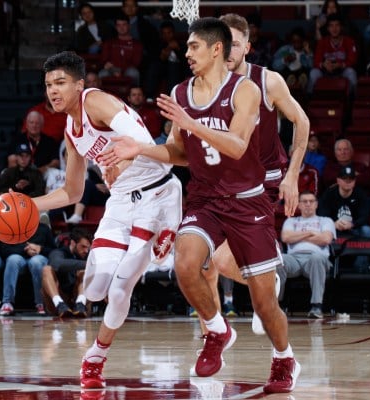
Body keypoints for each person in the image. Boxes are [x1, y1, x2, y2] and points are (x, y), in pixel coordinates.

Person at [102, 18, 299, 393]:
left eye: (193, 46)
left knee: (263, 303)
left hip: (247, 201)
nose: (186, 52)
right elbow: (179, 152)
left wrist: (192, 122)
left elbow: (238, 146)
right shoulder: (180, 92)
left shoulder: (245, 91)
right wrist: (139, 150)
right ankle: (216, 330)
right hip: (206, 199)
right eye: (187, 47)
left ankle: (284, 357)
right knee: (185, 263)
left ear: (216, 49)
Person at [37, 51, 182, 390]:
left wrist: (125, 161)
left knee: (120, 289)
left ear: (79, 84)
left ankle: (96, 356)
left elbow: (141, 138)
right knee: (97, 288)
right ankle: (162, 246)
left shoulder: (96, 101)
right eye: (48, 85)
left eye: (60, 83)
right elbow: (73, 192)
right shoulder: (72, 133)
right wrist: (29, 204)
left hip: (155, 192)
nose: (53, 91)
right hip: (120, 202)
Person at [203, 13, 309, 338]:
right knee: (204, 260)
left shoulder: (268, 81)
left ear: (247, 47)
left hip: (264, 182)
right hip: (225, 184)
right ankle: (217, 334)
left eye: (234, 44)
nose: (227, 51)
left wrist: (292, 176)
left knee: (219, 260)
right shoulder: (205, 86)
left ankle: (267, 280)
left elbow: (301, 122)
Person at [279, 190, 335, 319]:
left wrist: (298, 236)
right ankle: (277, 304)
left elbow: (325, 239)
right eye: (304, 201)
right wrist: (311, 232)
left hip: (316, 258)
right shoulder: (290, 221)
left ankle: (316, 306)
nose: (308, 204)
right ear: (299, 205)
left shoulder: (326, 221)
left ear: (316, 204)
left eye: (311, 201)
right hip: (294, 258)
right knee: (279, 259)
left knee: (317, 258)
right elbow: (286, 237)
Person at [318, 165, 370, 272]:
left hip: (354, 228)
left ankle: (360, 267)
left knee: (367, 231)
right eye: (344, 179)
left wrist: (352, 224)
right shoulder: (329, 193)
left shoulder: (360, 194)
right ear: (338, 180)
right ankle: (328, 266)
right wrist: (333, 223)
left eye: (351, 179)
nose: (348, 182)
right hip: (334, 227)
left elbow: (365, 216)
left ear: (354, 181)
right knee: (321, 228)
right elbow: (321, 213)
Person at [0, 222, 56, 316]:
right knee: (12, 259)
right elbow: (4, 249)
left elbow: (53, 250)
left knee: (36, 262)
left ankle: (41, 303)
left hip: (39, 256)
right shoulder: (12, 227)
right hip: (19, 257)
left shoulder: (43, 228)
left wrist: (40, 248)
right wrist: (26, 249)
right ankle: (7, 302)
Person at [41, 228, 92, 318]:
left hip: (79, 297)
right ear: (73, 243)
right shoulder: (59, 252)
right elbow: (57, 264)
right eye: (83, 247)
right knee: (47, 269)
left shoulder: (89, 256)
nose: (86, 251)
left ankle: (80, 304)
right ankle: (59, 304)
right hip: (60, 299)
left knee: (84, 272)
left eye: (88, 248)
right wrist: (87, 264)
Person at [308, 13, 358, 96]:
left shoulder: (349, 41)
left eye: (337, 25)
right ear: (327, 28)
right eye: (331, 26)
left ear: (341, 27)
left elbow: (353, 60)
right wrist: (323, 64)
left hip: (342, 70)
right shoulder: (322, 42)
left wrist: (340, 65)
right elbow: (316, 61)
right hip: (325, 71)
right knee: (314, 73)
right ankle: (310, 101)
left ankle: (352, 101)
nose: (334, 29)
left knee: (351, 73)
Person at [98, 11, 143, 86]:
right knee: (102, 73)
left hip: (128, 70)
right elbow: (104, 60)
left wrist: (120, 70)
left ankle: (133, 96)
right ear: (115, 27)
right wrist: (113, 69)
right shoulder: (109, 42)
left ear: (129, 25)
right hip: (111, 70)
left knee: (133, 72)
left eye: (124, 24)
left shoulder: (137, 44)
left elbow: (136, 63)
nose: (121, 28)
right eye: (118, 25)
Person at [7, 110, 60, 174]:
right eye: (31, 122)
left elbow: (56, 162)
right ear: (26, 124)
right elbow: (12, 161)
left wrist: (43, 169)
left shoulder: (50, 141)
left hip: (43, 173)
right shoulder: (17, 140)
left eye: (37, 123)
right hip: (21, 173)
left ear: (42, 126)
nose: (34, 126)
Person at [157, 20, 188, 94]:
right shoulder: (159, 45)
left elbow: (186, 60)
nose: (166, 36)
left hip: (181, 69)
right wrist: (168, 48)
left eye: (169, 33)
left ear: (174, 33)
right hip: (165, 70)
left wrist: (178, 48)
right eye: (164, 33)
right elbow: (160, 61)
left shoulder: (182, 44)